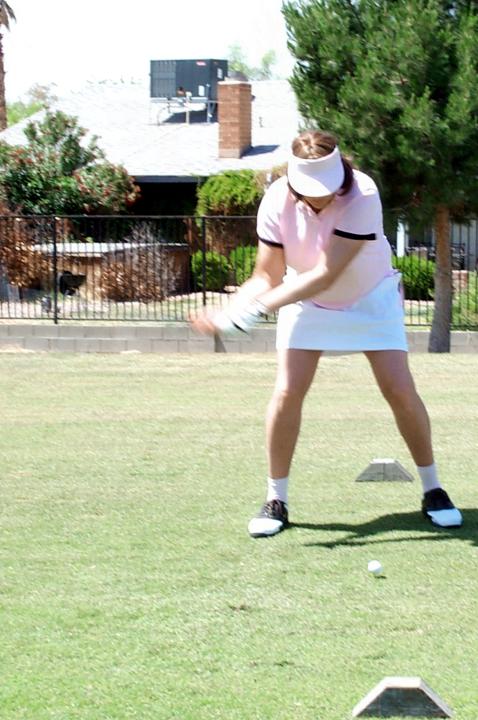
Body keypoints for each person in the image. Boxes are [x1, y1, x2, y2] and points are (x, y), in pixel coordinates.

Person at [191, 130, 463, 538]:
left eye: (327, 188)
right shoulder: (276, 200)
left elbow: (326, 273)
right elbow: (266, 275)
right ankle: (276, 499)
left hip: (370, 299)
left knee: (399, 389)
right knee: (287, 392)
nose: (321, 197)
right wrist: (230, 309)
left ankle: (433, 489)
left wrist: (255, 311)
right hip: (307, 302)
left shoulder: (362, 194)